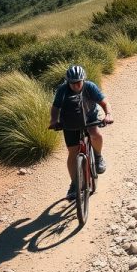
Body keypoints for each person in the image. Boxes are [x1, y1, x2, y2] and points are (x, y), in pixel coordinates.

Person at [49, 64, 113, 201]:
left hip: (90, 118)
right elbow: (55, 107)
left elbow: (104, 102)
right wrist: (54, 120)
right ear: (68, 82)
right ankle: (74, 184)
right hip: (70, 123)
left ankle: (97, 156)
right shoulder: (63, 90)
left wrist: (108, 114)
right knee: (73, 152)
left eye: (78, 82)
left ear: (83, 79)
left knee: (96, 135)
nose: (76, 85)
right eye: (72, 83)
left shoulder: (89, 86)